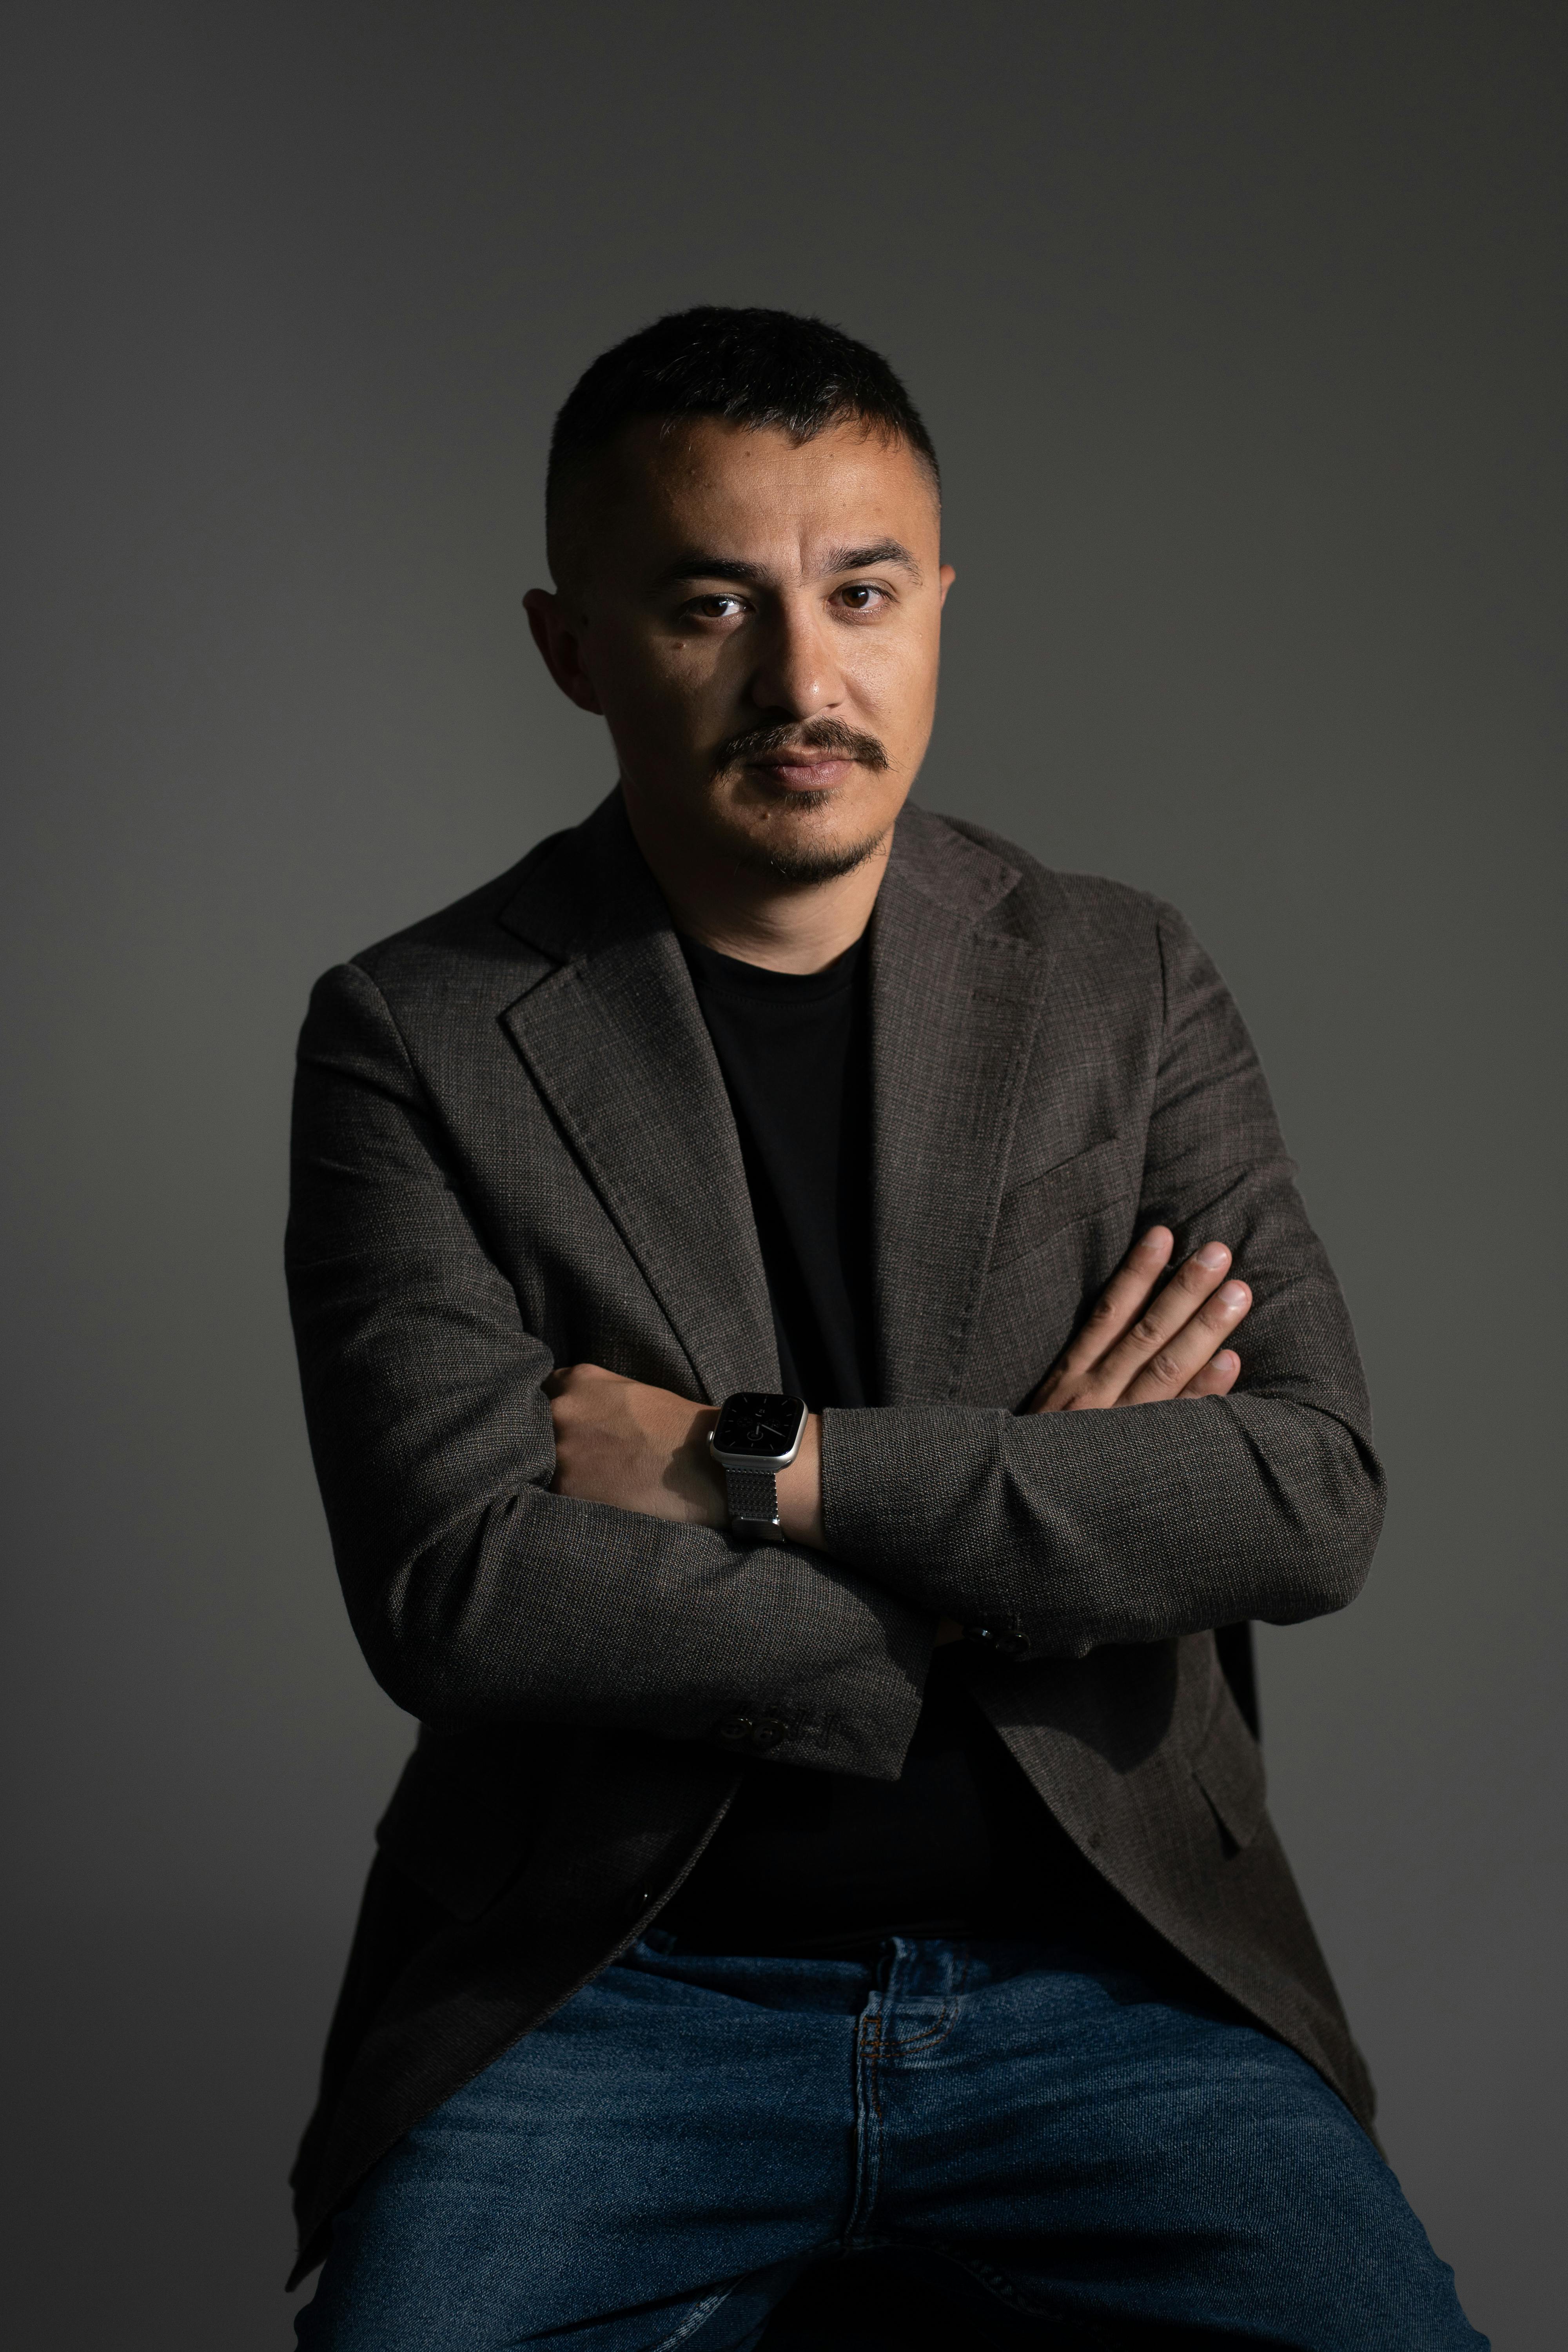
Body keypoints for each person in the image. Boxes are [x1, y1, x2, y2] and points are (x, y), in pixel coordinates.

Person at [285, 307, 1483, 2348]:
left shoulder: (1121, 977)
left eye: (859, 595)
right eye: (708, 606)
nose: (804, 678)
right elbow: (461, 1586)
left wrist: (767, 1465)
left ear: (939, 608)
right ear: (576, 645)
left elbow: (1308, 1493)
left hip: (1105, 1983)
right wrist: (1047, 1541)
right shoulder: (415, 1030)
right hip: (615, 1999)